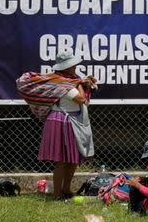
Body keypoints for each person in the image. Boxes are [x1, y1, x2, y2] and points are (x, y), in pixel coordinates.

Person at [31, 50, 96, 199]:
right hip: (60, 121)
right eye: (72, 65)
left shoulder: (72, 80)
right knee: (61, 161)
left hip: (72, 121)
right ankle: (57, 194)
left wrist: (82, 82)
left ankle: (66, 189)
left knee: (73, 159)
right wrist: (80, 83)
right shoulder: (61, 82)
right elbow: (81, 99)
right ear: (66, 67)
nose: (75, 68)